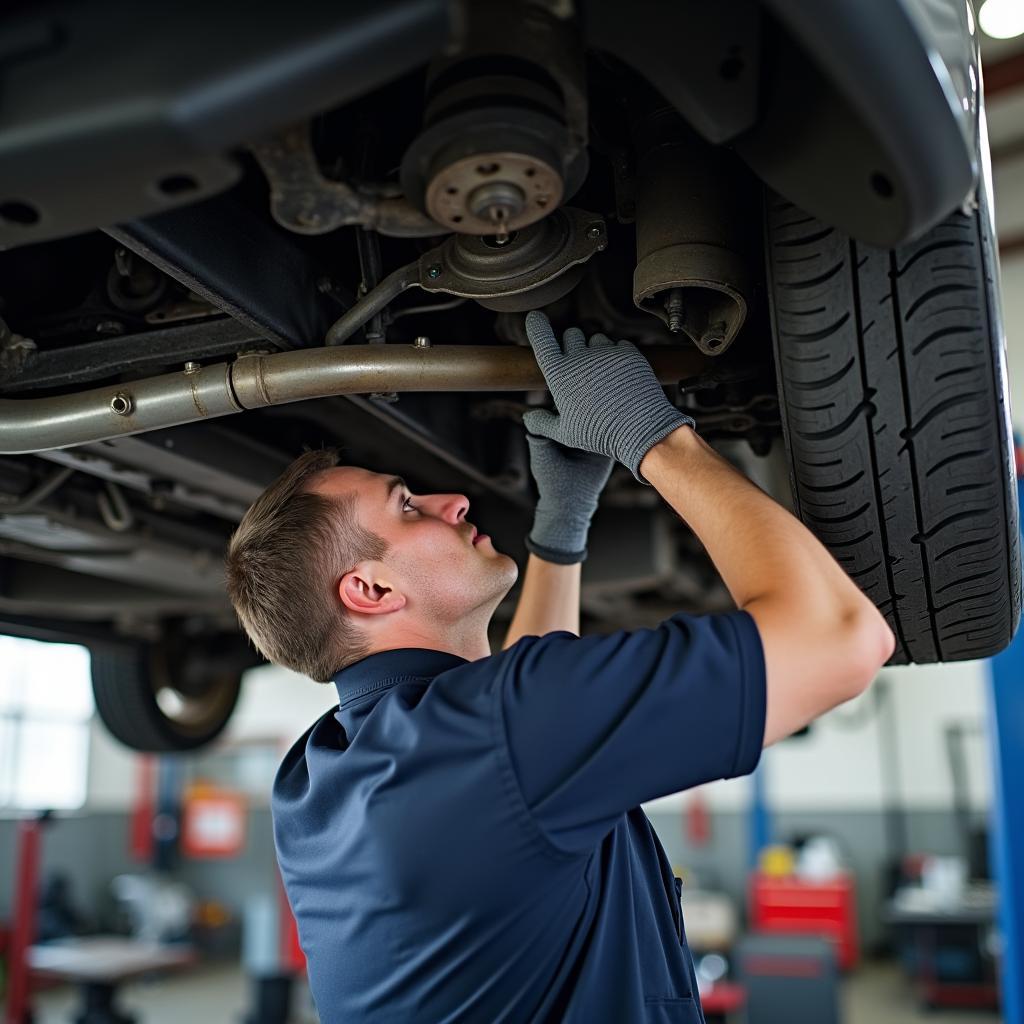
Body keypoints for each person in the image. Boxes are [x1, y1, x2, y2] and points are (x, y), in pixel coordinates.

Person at [225, 311, 894, 1024]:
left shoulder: (321, 774)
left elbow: (513, 756)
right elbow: (842, 638)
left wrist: (562, 528)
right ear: (373, 591)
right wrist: (654, 437)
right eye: (410, 507)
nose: (452, 500)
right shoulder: (486, 738)